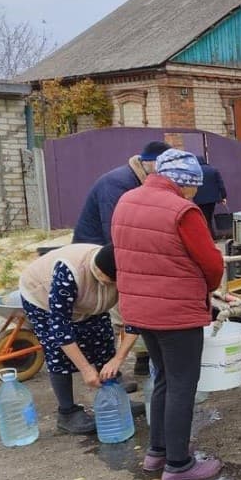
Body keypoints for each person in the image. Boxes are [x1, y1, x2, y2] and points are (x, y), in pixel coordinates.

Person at [112, 149, 225, 480]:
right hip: (176, 313)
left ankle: (157, 451)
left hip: (140, 309)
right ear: (185, 183)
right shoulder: (183, 210)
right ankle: (179, 465)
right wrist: (208, 287)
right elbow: (211, 264)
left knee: (161, 378)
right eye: (193, 188)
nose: (194, 195)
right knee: (181, 385)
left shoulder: (127, 200)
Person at [18, 244, 139, 433]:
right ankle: (67, 413)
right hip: (41, 299)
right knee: (57, 350)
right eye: (102, 278)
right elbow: (60, 327)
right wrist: (85, 368)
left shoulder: (126, 274)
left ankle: (116, 398)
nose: (105, 283)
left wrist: (118, 359)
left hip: (89, 304)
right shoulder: (69, 272)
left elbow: (135, 320)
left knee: (102, 338)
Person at [73, 139, 169, 376]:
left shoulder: (138, 179)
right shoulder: (118, 184)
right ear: (148, 164)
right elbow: (115, 230)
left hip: (114, 249)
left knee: (131, 304)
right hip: (99, 253)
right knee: (122, 307)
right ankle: (112, 369)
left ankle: (141, 357)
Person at [193, 156, 228, 236]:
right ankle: (212, 235)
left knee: (204, 218)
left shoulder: (195, 172)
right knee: (209, 217)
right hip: (212, 199)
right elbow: (221, 184)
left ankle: (209, 236)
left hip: (199, 199)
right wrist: (223, 196)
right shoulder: (213, 170)